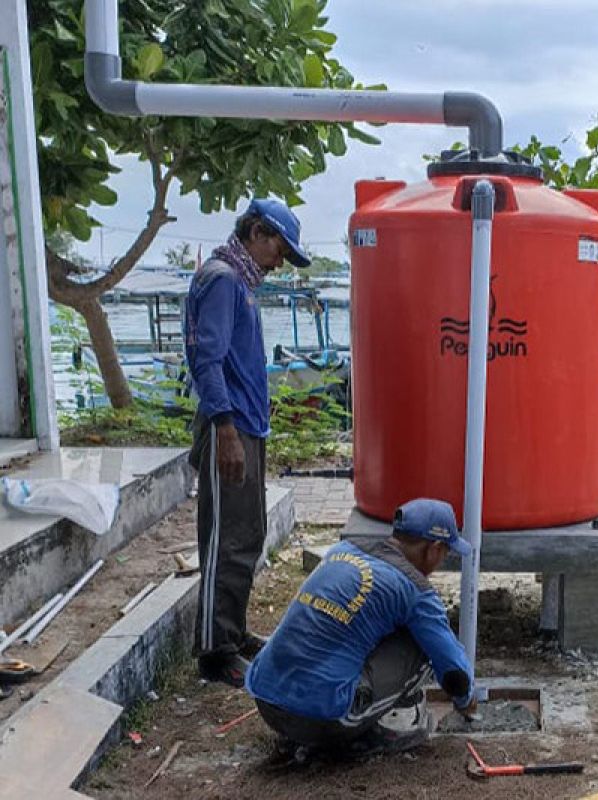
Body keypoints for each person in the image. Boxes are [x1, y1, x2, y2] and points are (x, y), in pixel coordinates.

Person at [185, 198, 311, 686]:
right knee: (226, 538)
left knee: (248, 533)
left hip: (245, 426)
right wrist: (225, 428)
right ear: (257, 233)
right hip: (229, 426)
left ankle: (232, 634)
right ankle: (215, 651)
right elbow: (207, 360)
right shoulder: (222, 279)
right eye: (279, 248)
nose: (279, 261)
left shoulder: (238, 282)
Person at [245, 498, 478, 753]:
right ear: (433, 549)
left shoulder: (343, 550)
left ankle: (312, 718)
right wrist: (466, 701)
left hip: (266, 699)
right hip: (321, 719)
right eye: (445, 553)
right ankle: (387, 728)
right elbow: (455, 672)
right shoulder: (416, 590)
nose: (441, 561)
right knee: (423, 644)